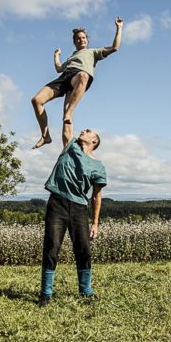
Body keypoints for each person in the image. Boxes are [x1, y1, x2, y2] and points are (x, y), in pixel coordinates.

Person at [38, 119, 107, 306]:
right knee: (52, 247)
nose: (84, 130)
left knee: (83, 249)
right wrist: (69, 108)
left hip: (79, 209)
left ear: (94, 141)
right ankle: (45, 293)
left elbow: (96, 197)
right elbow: (67, 125)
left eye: (89, 130)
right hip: (57, 203)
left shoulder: (98, 167)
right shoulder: (70, 146)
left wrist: (95, 223)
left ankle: (86, 291)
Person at [31, 17, 123, 149]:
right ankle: (46, 136)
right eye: (78, 38)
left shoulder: (93, 52)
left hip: (78, 78)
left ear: (87, 40)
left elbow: (115, 47)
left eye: (83, 38)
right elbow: (58, 68)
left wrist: (119, 28)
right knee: (36, 100)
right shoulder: (70, 57)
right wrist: (56, 55)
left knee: (82, 77)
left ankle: (67, 144)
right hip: (64, 77)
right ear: (75, 42)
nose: (81, 40)